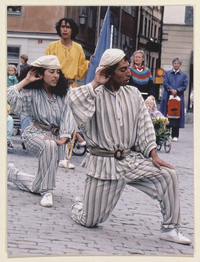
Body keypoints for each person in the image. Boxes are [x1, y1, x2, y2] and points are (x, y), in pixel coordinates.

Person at [68, 48, 191, 245]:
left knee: (168, 175)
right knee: (90, 221)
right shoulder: (94, 94)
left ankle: (170, 229)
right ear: (108, 72)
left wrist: (153, 154)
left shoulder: (133, 93)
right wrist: (95, 82)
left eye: (128, 68)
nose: (129, 73)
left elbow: (144, 124)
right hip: (103, 166)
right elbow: (73, 101)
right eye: (123, 69)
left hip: (130, 161)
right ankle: (80, 204)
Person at [7, 55, 76, 207]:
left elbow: (68, 114)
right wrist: (26, 80)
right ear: (41, 73)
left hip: (56, 137)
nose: (56, 76)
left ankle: (11, 174)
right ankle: (47, 192)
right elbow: (8, 96)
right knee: (49, 145)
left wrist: (63, 138)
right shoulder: (31, 92)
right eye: (51, 72)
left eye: (58, 72)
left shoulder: (64, 92)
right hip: (34, 134)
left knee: (36, 184)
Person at [45, 17, 88, 168]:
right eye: (62, 26)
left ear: (72, 30)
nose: (65, 29)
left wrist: (91, 62)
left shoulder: (78, 48)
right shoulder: (52, 46)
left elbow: (81, 72)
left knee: (68, 121)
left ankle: (64, 156)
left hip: (71, 86)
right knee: (55, 120)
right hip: (55, 85)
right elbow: (46, 65)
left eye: (68, 27)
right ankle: (54, 152)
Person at [159, 57, 188, 142]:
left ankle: (175, 135)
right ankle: (166, 134)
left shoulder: (184, 75)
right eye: (175, 63)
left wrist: (177, 90)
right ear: (172, 64)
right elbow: (165, 82)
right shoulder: (167, 73)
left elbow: (184, 85)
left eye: (178, 63)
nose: (176, 65)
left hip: (178, 97)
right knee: (167, 114)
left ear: (180, 65)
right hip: (167, 96)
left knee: (176, 114)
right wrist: (171, 89)